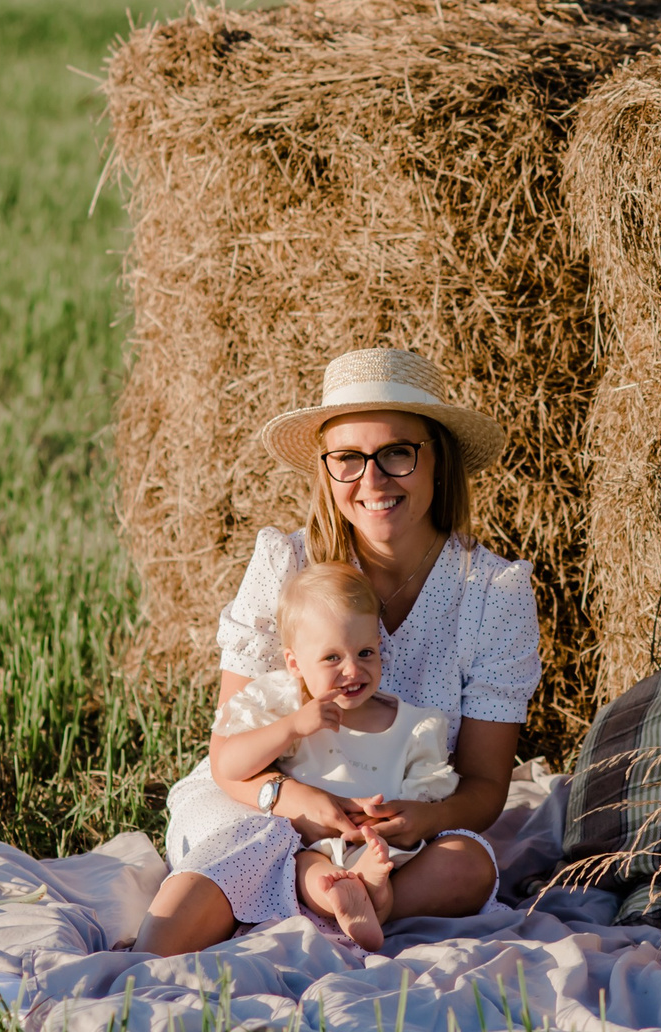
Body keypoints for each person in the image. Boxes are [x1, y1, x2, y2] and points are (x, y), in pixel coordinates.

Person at [141, 346, 540, 956]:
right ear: (326, 469)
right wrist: (297, 802)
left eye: (397, 454)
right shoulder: (286, 562)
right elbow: (229, 753)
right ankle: (320, 887)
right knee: (236, 835)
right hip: (268, 801)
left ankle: (352, 895)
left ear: (439, 461)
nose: (372, 481)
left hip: (396, 829)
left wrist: (420, 819)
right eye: (348, 459)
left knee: (469, 866)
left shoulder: (494, 593)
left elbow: (485, 785)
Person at [205, 561, 458, 951]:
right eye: (332, 658)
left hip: (381, 848)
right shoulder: (289, 710)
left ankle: (372, 891)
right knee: (307, 870)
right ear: (295, 664)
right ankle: (349, 897)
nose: (353, 669)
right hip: (312, 848)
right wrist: (290, 727)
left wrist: (391, 813)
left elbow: (428, 791)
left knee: (408, 863)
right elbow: (228, 764)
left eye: (366, 652)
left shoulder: (411, 724)